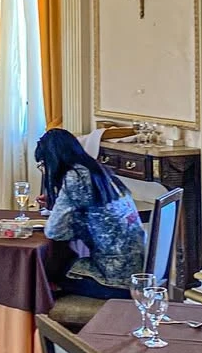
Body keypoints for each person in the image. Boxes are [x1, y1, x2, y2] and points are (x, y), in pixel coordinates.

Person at [35, 128, 145, 299]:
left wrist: (58, 207)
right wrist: (57, 202)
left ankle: (43, 323)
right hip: (135, 268)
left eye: (43, 165)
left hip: (116, 280)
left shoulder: (76, 177)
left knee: (39, 278)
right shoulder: (96, 170)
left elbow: (55, 230)